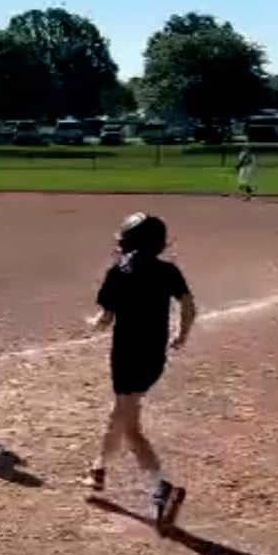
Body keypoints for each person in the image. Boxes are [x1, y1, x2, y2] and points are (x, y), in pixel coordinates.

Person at [85, 213, 194, 529]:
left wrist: (93, 324)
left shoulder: (118, 272)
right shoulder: (168, 271)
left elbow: (105, 319)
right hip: (153, 359)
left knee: (124, 421)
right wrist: (181, 335)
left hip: (126, 358)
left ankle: (160, 485)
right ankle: (98, 469)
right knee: (125, 420)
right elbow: (189, 307)